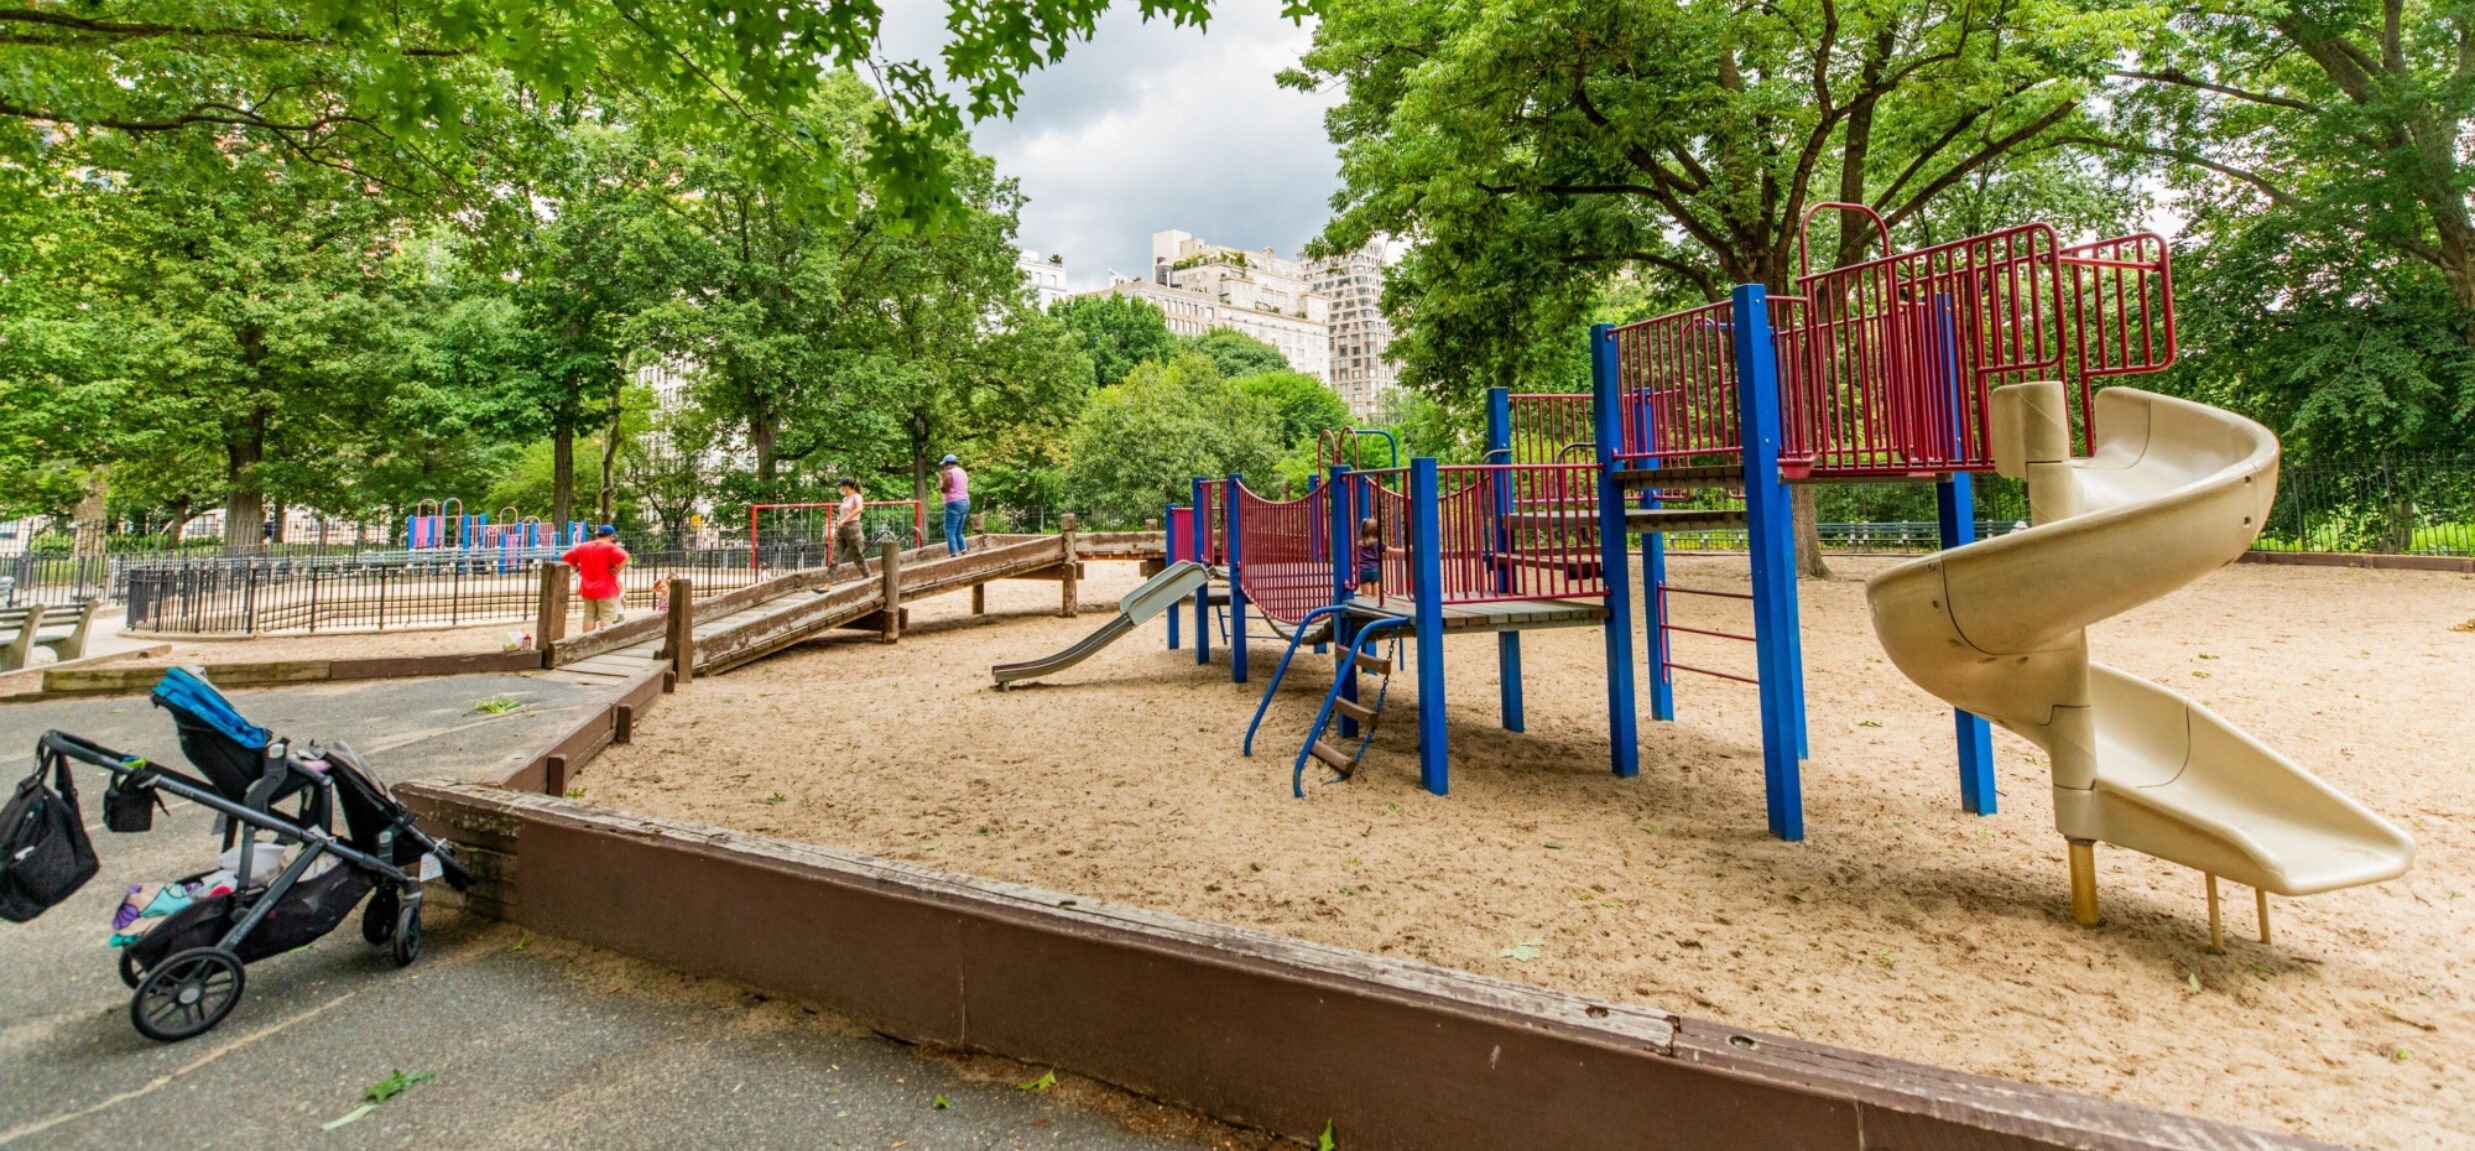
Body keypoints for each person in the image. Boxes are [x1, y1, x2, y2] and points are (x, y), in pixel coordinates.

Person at [562, 524, 629, 632]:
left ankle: (587, 642)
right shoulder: (610, 547)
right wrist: (617, 570)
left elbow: (566, 557)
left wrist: (577, 568)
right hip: (606, 589)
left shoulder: (583, 547)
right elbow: (625, 556)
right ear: (611, 536)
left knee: (589, 616)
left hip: (587, 589)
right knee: (606, 616)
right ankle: (603, 642)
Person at [831, 477, 871, 581]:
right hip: (842, 529)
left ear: (846, 486)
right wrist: (842, 522)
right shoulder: (845, 499)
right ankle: (828, 582)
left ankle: (868, 578)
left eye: (841, 486)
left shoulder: (856, 496)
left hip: (853, 527)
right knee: (835, 556)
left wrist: (844, 520)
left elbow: (859, 509)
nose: (841, 488)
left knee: (857, 556)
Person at [938, 453, 970, 555]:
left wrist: (940, 481)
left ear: (948, 464)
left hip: (954, 503)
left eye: (944, 465)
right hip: (965, 502)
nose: (944, 467)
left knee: (950, 531)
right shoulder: (963, 472)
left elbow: (944, 489)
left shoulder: (949, 473)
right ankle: (963, 550)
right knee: (959, 531)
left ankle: (953, 554)